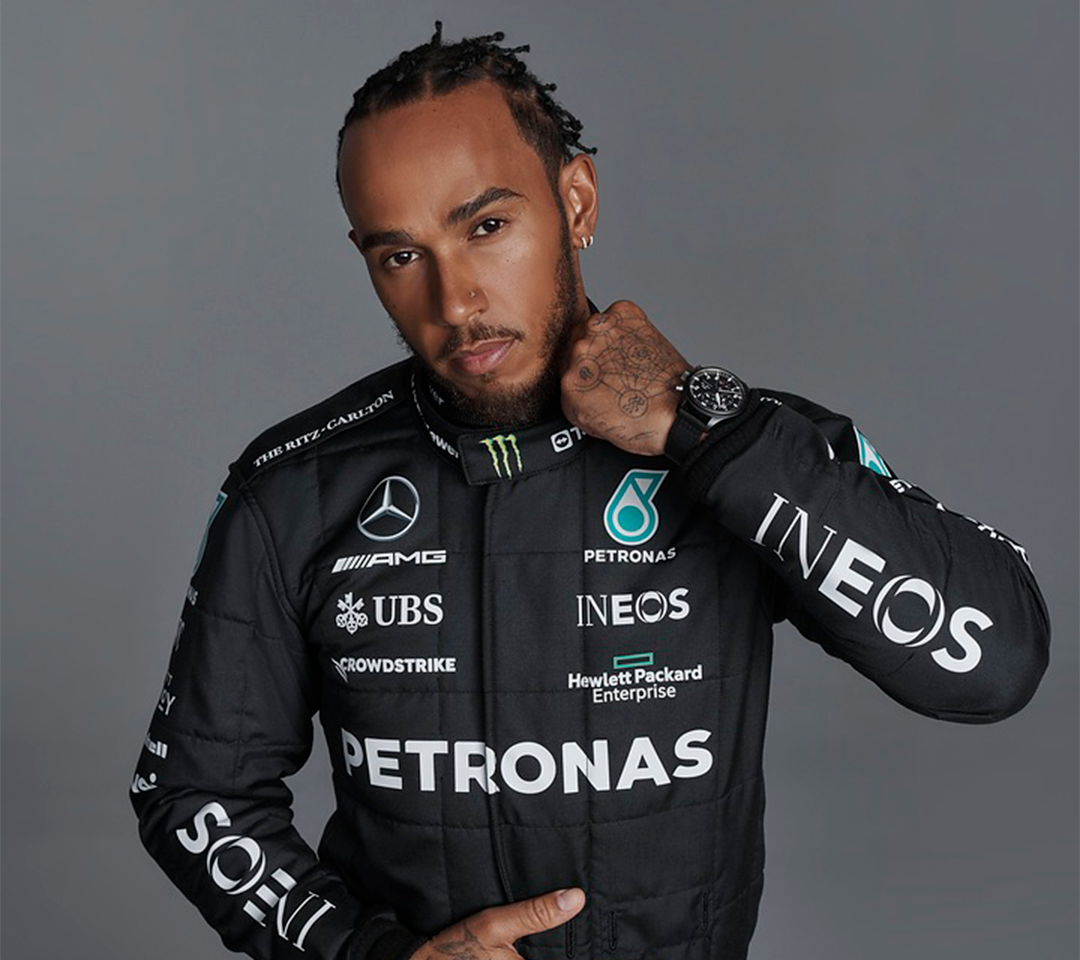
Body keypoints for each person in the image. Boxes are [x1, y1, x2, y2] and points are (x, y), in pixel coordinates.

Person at [130, 22, 1050, 960]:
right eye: (399, 256)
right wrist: (365, 954)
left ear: (575, 201)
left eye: (487, 227)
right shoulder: (292, 490)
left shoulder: (745, 447)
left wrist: (707, 432)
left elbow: (994, 660)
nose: (454, 302)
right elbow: (193, 793)